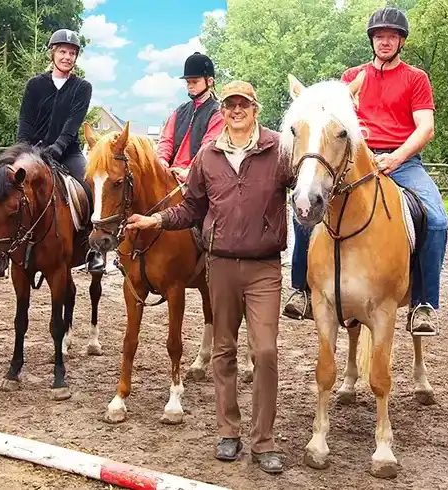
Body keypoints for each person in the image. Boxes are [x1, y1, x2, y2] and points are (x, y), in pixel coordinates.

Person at [125, 80, 291, 474]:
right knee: (223, 350)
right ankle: (228, 432)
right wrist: (157, 219)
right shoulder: (208, 156)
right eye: (230, 105)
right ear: (223, 111)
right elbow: (192, 209)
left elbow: (307, 189)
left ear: (256, 108)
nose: (236, 111)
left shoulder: (279, 151)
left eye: (244, 105)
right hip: (220, 265)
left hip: (264, 266)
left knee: (265, 351)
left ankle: (263, 440)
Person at [282, 6, 448, 336]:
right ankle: (301, 288)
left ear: (401, 42)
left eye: (391, 36)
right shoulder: (350, 78)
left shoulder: (416, 79)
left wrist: (397, 157)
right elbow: (332, 122)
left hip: (402, 163)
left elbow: (425, 128)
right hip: (357, 161)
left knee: (438, 219)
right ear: (372, 41)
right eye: (379, 36)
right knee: (305, 207)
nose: (385, 41)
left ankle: (424, 303)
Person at [15, 28, 104, 272]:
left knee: (90, 186)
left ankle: (93, 250)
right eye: (63, 51)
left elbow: (72, 124)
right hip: (33, 152)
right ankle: (9, 246)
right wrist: (23, 149)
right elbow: (25, 120)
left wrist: (58, 147)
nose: (67, 57)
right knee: (9, 186)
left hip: (67, 152)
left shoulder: (82, 87)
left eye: (72, 53)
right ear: (53, 53)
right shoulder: (35, 85)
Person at [156, 52, 224, 184]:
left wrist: (190, 170)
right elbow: (166, 140)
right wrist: (162, 160)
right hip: (172, 174)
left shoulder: (218, 113)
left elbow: (207, 148)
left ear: (209, 81)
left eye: (195, 81)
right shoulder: (180, 111)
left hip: (199, 177)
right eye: (188, 82)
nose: (190, 86)